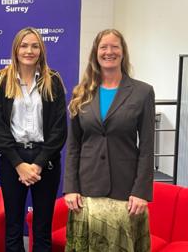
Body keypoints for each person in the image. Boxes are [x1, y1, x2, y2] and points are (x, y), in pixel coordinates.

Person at [63, 29, 155, 252]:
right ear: (96, 53)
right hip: (86, 190)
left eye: (115, 46)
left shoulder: (142, 92)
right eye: (103, 47)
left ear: (123, 52)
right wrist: (70, 188)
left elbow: (147, 147)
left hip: (126, 191)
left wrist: (141, 191)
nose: (109, 52)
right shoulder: (81, 93)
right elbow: (74, 145)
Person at [0, 27, 67, 252]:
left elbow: (59, 129)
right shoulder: (0, 81)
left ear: (41, 50)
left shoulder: (52, 81)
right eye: (24, 45)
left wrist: (38, 164)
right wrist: (19, 165)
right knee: (13, 226)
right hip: (13, 160)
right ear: (15, 49)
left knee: (43, 227)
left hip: (46, 160)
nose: (29, 51)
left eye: (34, 46)